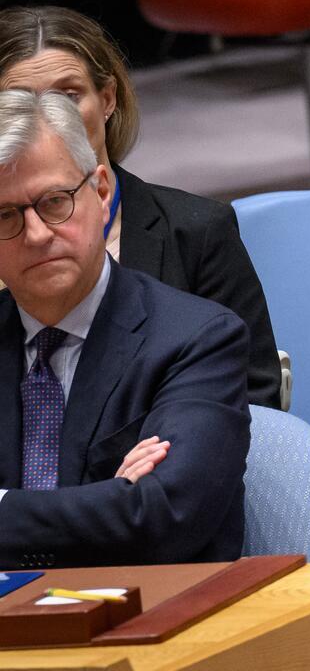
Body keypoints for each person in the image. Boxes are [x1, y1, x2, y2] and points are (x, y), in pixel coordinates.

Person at [0, 90, 250, 568]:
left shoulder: (196, 338)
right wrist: (109, 499)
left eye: (54, 202)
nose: (36, 234)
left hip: (150, 606)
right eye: (4, 215)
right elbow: (127, 513)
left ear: (100, 193)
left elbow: (162, 518)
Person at [0, 6, 281, 408]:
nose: (49, 119)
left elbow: (254, 400)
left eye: (68, 96)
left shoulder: (197, 232)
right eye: (23, 102)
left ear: (107, 99)